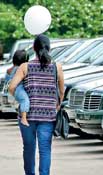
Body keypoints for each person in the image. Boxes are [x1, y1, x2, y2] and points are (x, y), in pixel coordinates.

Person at [9, 34, 64, 175]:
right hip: (48, 116)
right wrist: (56, 105)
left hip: (27, 116)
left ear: (33, 48)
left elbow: (12, 87)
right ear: (49, 48)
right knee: (45, 149)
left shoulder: (25, 67)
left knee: (28, 148)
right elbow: (61, 91)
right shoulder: (56, 67)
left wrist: (23, 99)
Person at [6, 50, 30, 126]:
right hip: (18, 88)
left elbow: (7, 80)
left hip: (13, 90)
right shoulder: (21, 68)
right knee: (25, 100)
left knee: (23, 102)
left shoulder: (10, 69)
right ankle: (24, 118)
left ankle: (22, 114)